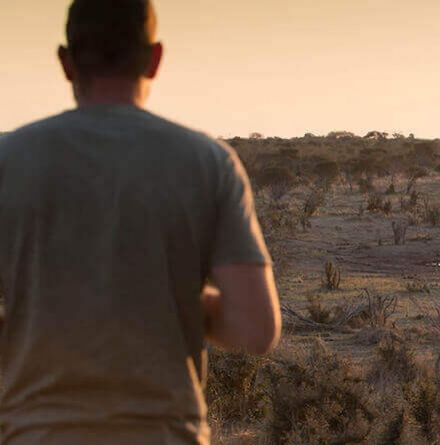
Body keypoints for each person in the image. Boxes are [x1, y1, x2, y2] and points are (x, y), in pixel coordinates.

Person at [0, 0, 281, 443]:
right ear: (154, 58)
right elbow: (255, 329)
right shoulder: (207, 163)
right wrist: (171, 298)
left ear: (65, 62)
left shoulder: (8, 160)